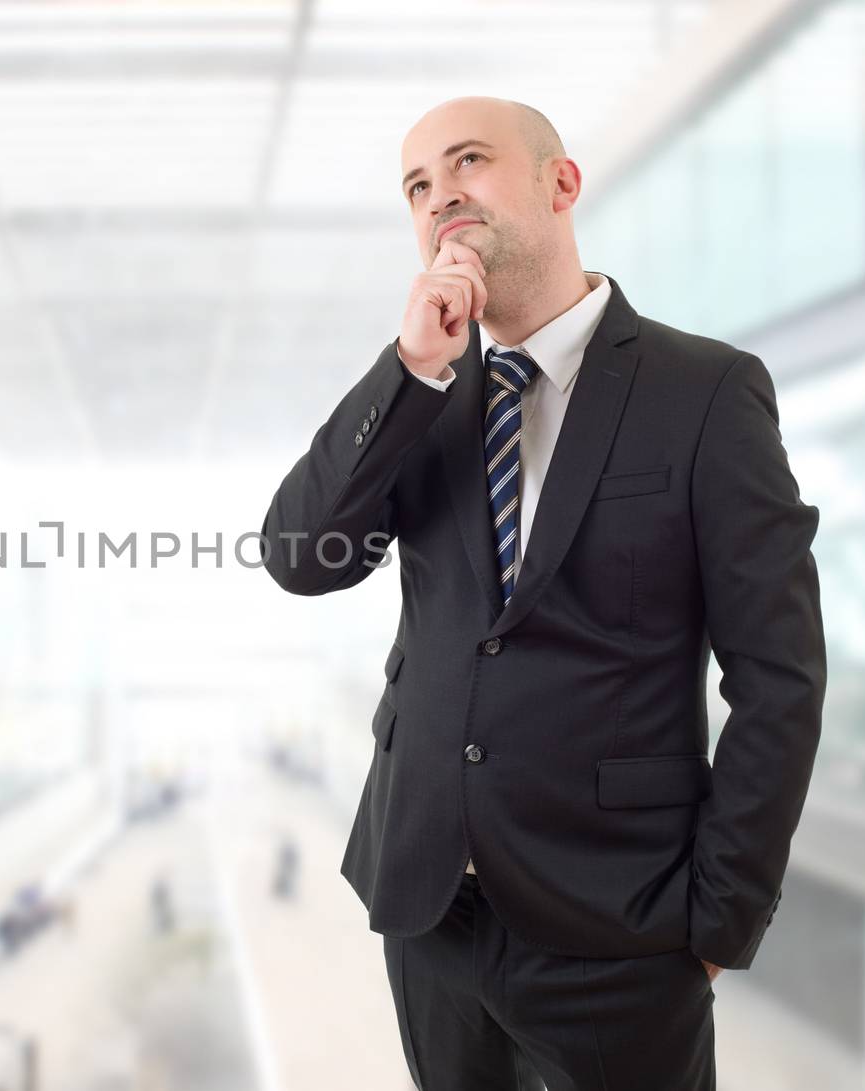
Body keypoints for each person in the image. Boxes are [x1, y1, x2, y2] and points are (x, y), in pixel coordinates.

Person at [258, 96, 826, 1091]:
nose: (441, 198)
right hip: (430, 908)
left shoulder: (704, 391)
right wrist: (410, 367)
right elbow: (301, 555)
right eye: (417, 187)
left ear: (560, 184)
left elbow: (779, 678)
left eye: (467, 162)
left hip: (621, 923)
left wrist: (717, 920)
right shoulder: (424, 399)